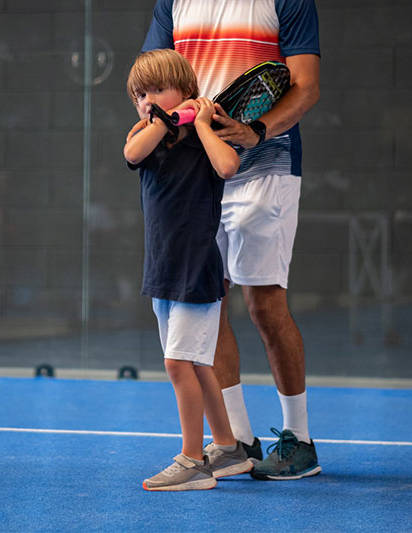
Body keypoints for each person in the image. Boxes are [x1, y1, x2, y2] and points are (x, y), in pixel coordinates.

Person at [141, 0, 322, 480]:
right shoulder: (172, 3)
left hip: (267, 167)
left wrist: (255, 130)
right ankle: (235, 440)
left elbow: (305, 85)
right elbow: (149, 82)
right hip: (198, 172)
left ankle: (299, 440)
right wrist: (177, 128)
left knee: (264, 304)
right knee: (207, 298)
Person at [124, 49, 252, 491]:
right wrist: (161, 117)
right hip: (162, 269)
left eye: (158, 89)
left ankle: (194, 461)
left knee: (180, 363)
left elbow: (228, 165)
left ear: (187, 92)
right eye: (141, 94)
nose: (147, 100)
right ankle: (229, 449)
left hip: (197, 269)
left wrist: (199, 123)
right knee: (196, 365)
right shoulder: (147, 133)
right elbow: (133, 151)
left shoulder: (205, 135)